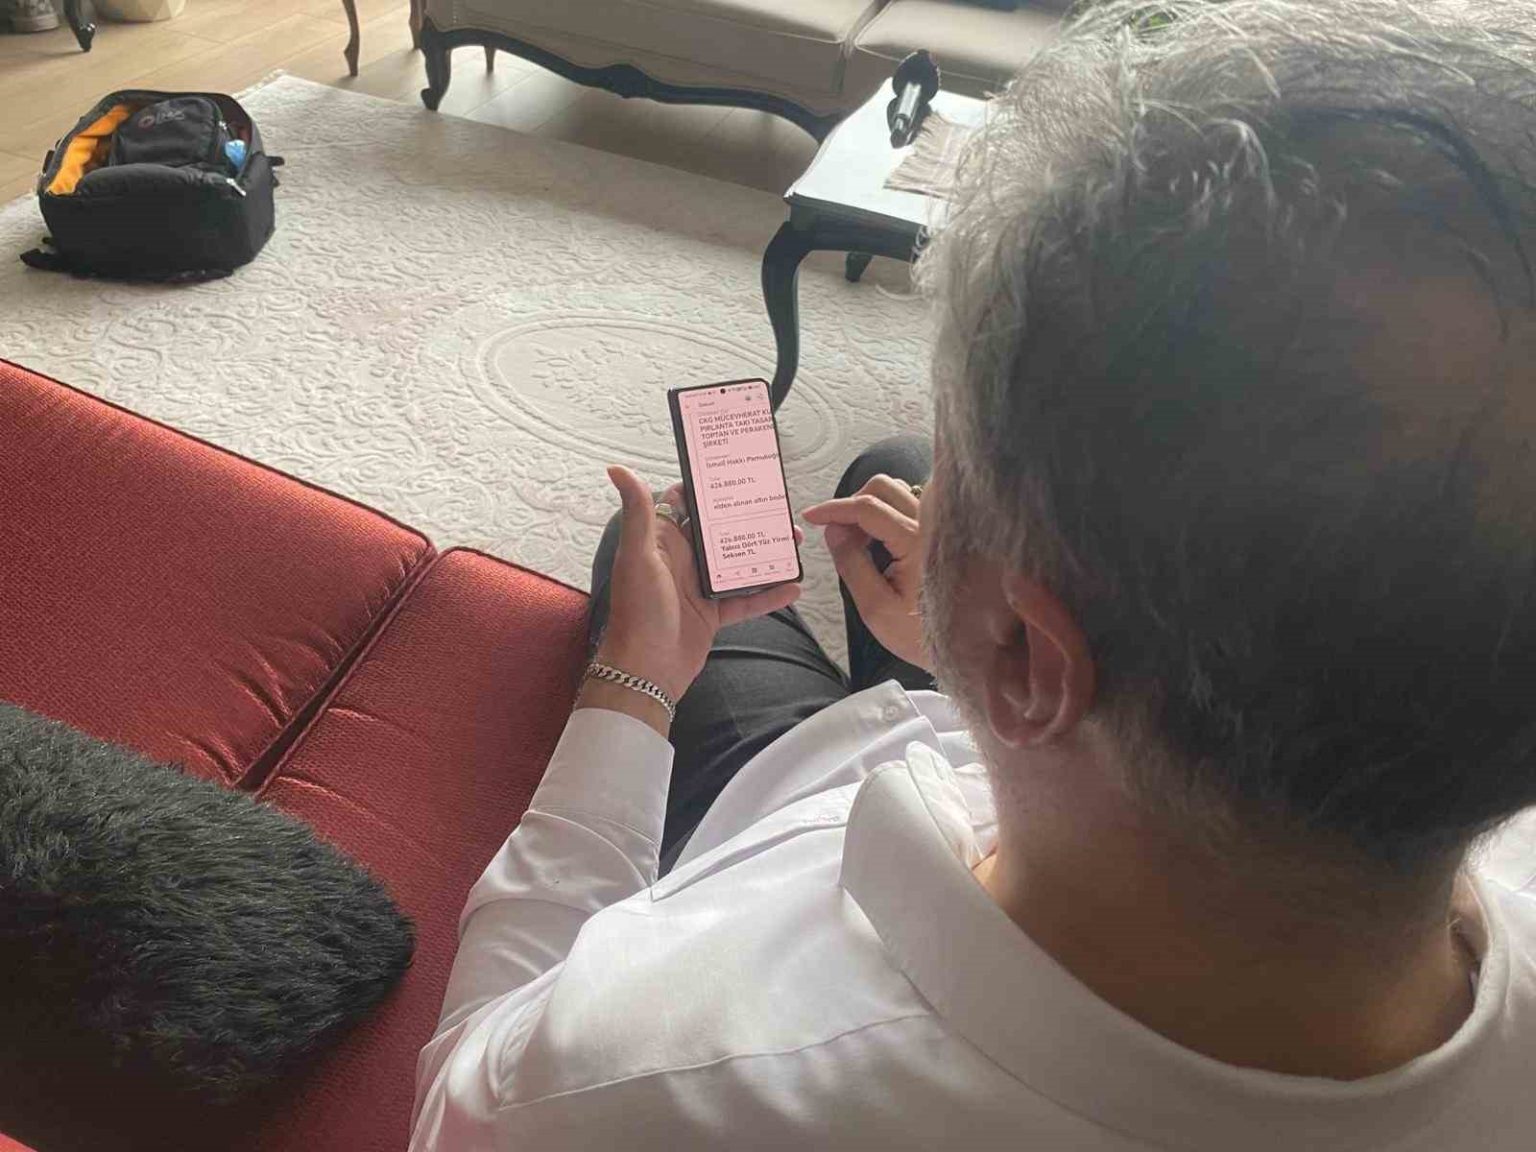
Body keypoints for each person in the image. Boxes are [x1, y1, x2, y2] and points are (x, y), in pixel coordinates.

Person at [410, 1, 1536, 1146]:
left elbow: (461, 1093)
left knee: (646, 556)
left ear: (1026, 652)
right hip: (1033, 749)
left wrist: (635, 683)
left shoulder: (650, 1076)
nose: (938, 488)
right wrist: (969, 664)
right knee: (887, 471)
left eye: (966, 460)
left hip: (800, 807)